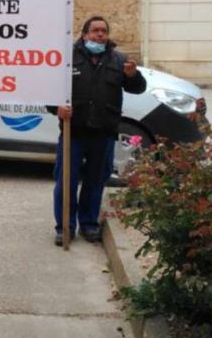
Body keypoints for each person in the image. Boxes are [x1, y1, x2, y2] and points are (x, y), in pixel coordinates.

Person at [51, 16, 146, 246]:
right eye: (95, 31)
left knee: (95, 181)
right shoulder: (68, 58)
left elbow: (138, 88)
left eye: (103, 31)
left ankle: (89, 224)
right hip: (74, 131)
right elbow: (50, 88)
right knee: (66, 182)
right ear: (84, 34)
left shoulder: (118, 60)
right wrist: (57, 109)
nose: (100, 35)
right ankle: (65, 227)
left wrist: (133, 76)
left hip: (103, 132)